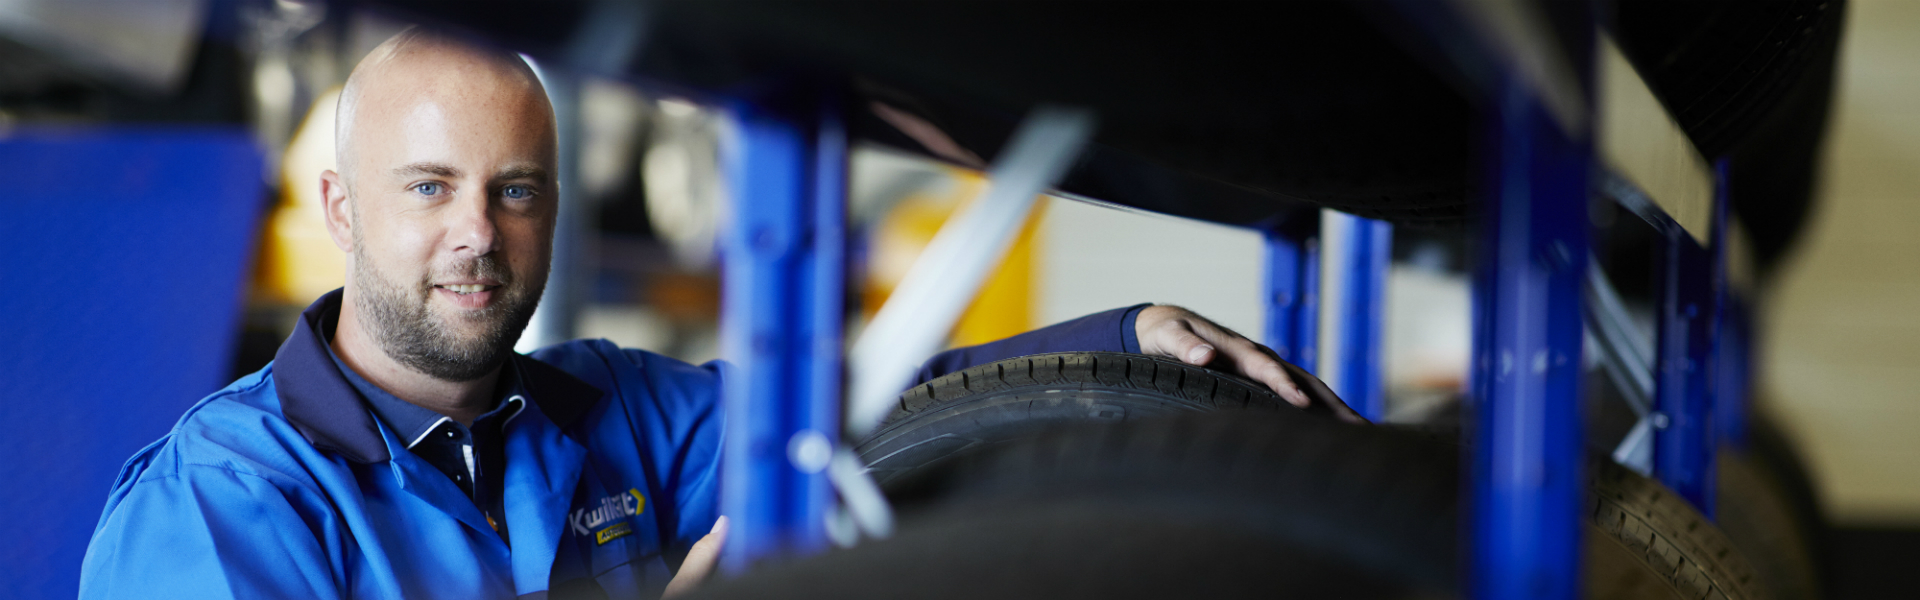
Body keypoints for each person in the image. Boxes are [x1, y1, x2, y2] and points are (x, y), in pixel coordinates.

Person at [77, 29, 1357, 600]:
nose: (479, 233)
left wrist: (1119, 342)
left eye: (517, 192)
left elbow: (877, 416)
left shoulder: (611, 410)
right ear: (342, 206)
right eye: (431, 190)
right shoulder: (219, 507)